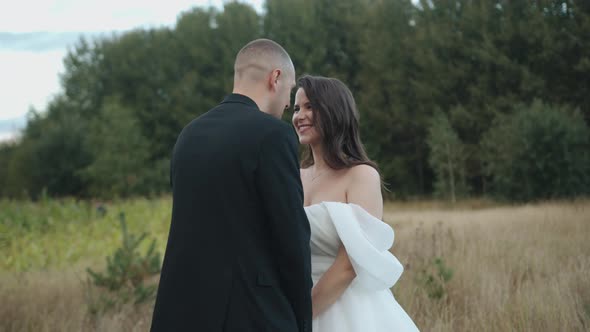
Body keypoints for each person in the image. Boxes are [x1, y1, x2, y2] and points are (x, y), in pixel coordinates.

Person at [150, 39, 312, 332]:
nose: (288, 104)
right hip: (251, 314)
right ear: (275, 78)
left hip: (182, 311)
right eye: (289, 90)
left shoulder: (189, 135)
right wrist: (302, 321)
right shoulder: (273, 135)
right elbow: (291, 239)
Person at [292, 75, 419, 331]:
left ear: (333, 112)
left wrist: (301, 318)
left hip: (348, 309)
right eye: (296, 108)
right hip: (295, 300)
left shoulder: (361, 175)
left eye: (309, 106)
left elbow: (350, 264)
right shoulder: (294, 176)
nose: (299, 116)